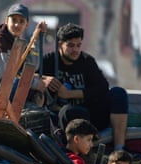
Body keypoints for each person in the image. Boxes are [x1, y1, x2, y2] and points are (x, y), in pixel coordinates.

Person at [41, 23, 128, 151]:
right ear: (60, 45)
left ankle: (119, 148)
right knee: (68, 111)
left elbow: (102, 87)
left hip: (91, 115)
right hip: (65, 118)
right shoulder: (49, 60)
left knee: (118, 93)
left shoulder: (87, 61)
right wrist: (44, 80)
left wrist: (69, 94)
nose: (75, 50)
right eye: (70, 45)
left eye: (78, 45)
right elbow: (24, 74)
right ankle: (75, 154)